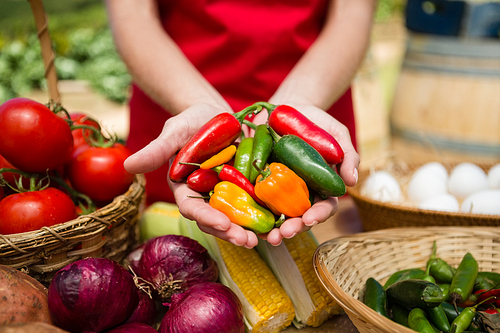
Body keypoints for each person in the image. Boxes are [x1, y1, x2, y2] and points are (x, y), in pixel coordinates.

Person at [105, 0, 376, 249]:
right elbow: (133, 14)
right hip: (175, 90)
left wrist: (297, 102)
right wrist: (197, 102)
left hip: (314, 86)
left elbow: (353, 11)